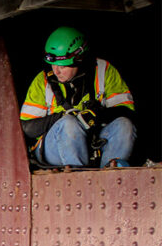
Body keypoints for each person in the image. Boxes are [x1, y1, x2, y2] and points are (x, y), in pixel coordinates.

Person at [19, 26, 135, 168]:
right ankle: (79, 176)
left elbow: (128, 111)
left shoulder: (103, 70)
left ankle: (112, 171)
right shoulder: (42, 80)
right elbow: (27, 127)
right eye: (53, 64)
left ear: (79, 59)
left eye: (63, 66)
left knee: (124, 125)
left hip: (93, 140)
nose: (56, 71)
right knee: (68, 124)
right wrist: (61, 117)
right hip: (54, 147)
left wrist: (97, 114)